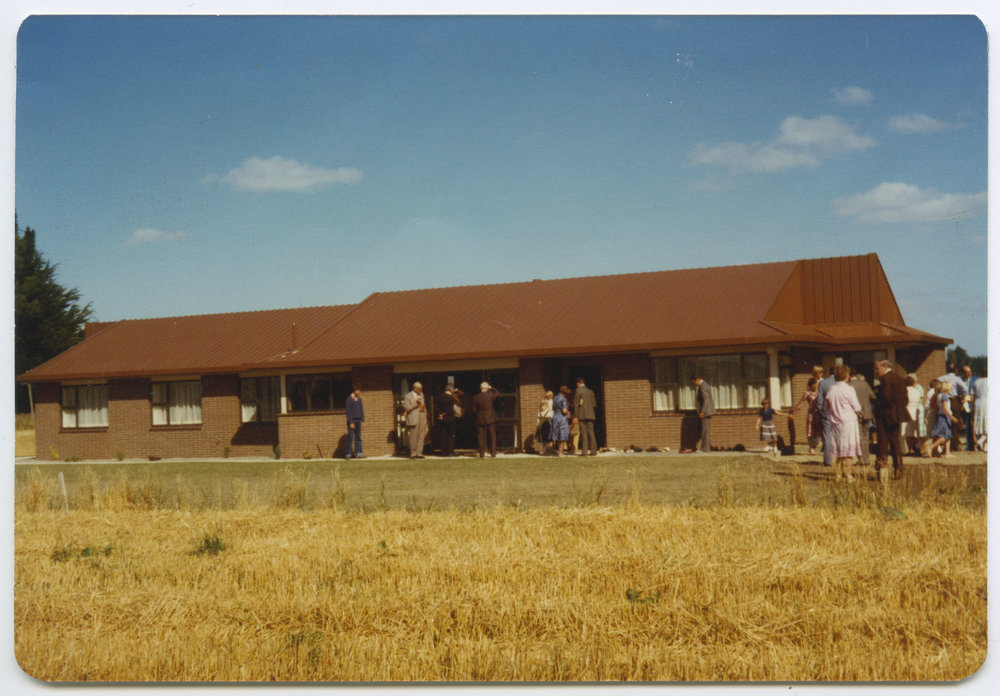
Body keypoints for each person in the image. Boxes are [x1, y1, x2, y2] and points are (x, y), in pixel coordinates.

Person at [874, 359, 912, 479]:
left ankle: (882, 471)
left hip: (885, 415)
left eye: (877, 368)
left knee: (883, 444)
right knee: (895, 443)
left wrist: (877, 404)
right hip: (896, 416)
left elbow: (885, 398)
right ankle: (898, 469)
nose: (876, 371)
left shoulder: (885, 379)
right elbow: (905, 398)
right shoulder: (899, 378)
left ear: (884, 367)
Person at [825, 364, 863, 481]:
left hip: (835, 423)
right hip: (848, 422)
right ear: (846, 375)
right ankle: (848, 474)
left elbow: (826, 408)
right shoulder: (849, 389)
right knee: (848, 450)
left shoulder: (831, 390)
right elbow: (857, 407)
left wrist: (832, 414)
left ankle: (837, 475)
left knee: (838, 450)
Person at [788, 376, 821, 454]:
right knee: (810, 431)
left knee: (819, 431)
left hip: (819, 414)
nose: (815, 386)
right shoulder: (807, 393)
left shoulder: (820, 392)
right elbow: (800, 403)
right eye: (814, 384)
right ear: (811, 385)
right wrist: (793, 413)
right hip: (812, 414)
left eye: (816, 384)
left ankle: (814, 446)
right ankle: (811, 447)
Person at [927, 381, 960, 458]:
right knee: (943, 436)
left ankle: (947, 453)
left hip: (940, 415)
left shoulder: (939, 395)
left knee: (948, 435)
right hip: (944, 417)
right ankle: (931, 447)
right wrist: (952, 417)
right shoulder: (945, 396)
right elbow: (945, 408)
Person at [849, 370, 875, 466]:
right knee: (865, 436)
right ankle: (866, 458)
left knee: (859, 436)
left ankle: (861, 459)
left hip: (856, 413)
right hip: (867, 412)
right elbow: (873, 396)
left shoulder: (850, 385)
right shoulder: (865, 384)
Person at [814, 366, 836, 467]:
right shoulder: (843, 383)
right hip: (841, 414)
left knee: (827, 436)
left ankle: (828, 460)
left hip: (827, 413)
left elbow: (819, 400)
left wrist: (821, 410)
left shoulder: (823, 383)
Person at [472, 381, 500, 458]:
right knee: (492, 435)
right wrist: (491, 388)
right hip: (490, 417)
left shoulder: (476, 397)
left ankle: (482, 454)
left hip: (480, 418)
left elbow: (474, 409)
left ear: (480, 388)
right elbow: (497, 393)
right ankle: (493, 453)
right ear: (487, 388)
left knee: (480, 437)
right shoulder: (490, 395)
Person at [403, 381, 428, 459]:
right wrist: (416, 403)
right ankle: (413, 453)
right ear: (415, 388)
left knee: (421, 436)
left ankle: (419, 453)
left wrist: (425, 416)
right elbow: (407, 408)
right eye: (420, 389)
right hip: (414, 418)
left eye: (421, 388)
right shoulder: (408, 396)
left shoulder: (422, 395)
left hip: (422, 416)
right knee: (414, 436)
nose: (421, 390)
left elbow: (424, 406)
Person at [690, 374, 715, 453]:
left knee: (705, 431)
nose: (695, 384)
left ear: (697, 379)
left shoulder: (703, 386)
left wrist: (702, 411)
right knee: (704, 430)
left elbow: (706, 400)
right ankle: (709, 444)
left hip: (705, 412)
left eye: (694, 382)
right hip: (705, 411)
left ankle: (705, 449)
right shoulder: (704, 385)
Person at [573, 378, 598, 456]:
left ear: (578, 383)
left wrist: (575, 416)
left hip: (581, 415)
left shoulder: (578, 391)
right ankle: (593, 451)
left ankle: (584, 452)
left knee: (584, 433)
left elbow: (576, 404)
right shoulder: (591, 391)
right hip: (591, 414)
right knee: (591, 432)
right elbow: (594, 404)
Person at [902, 374, 924, 456]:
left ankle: (911, 449)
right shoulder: (917, 391)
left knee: (908, 433)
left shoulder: (904, 391)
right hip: (916, 411)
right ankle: (917, 448)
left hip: (907, 411)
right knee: (915, 432)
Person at [435, 384, 459, 457]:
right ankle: (450, 451)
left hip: (441, 419)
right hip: (449, 418)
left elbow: (437, 407)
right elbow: (450, 409)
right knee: (451, 435)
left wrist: (440, 414)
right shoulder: (451, 398)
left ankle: (443, 452)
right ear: (450, 390)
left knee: (443, 435)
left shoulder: (440, 397)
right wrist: (445, 414)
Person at [550, 386, 572, 456]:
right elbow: (564, 410)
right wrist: (568, 411)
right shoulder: (563, 399)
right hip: (561, 418)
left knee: (557, 435)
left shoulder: (555, 398)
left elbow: (553, 408)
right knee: (562, 436)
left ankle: (558, 451)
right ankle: (560, 452)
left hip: (555, 417)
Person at [344, 384, 365, 459]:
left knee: (358, 437)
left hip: (358, 420)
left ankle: (359, 453)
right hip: (352, 421)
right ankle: (348, 454)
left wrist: (362, 420)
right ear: (354, 391)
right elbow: (348, 412)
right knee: (350, 438)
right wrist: (351, 422)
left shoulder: (359, 399)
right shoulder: (349, 399)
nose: (359, 392)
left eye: (360, 390)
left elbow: (361, 410)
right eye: (358, 390)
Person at [961, 365, 976, 451]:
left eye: (969, 372)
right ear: (963, 373)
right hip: (965, 405)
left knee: (974, 425)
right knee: (967, 425)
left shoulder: (975, 380)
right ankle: (969, 445)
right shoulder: (961, 380)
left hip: (973, 404)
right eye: (966, 372)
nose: (968, 374)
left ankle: (975, 443)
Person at [972, 367, 988, 452]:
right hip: (987, 402)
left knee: (982, 424)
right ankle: (981, 441)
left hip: (977, 403)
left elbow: (972, 394)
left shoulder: (976, 381)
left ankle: (985, 446)